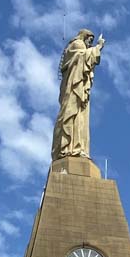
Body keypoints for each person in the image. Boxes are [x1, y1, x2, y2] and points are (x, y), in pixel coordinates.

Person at [51, 28, 105, 161]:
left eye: (92, 42)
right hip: (74, 87)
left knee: (80, 119)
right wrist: (98, 47)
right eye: (89, 40)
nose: (89, 44)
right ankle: (68, 148)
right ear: (83, 36)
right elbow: (82, 57)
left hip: (80, 89)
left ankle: (78, 148)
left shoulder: (82, 46)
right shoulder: (77, 44)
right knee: (71, 114)